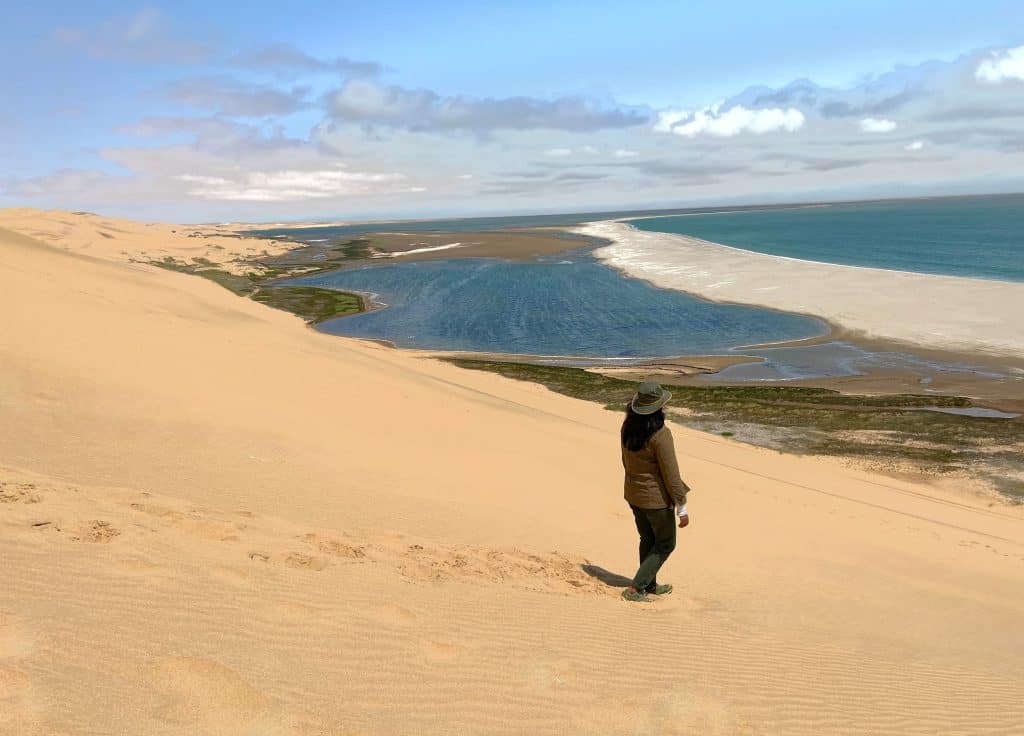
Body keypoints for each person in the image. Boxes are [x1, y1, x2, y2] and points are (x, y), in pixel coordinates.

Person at [620, 381, 691, 603]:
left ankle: (649, 584)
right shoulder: (661, 434)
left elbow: (625, 462)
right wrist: (682, 505)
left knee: (648, 539)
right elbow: (671, 473)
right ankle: (636, 588)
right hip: (655, 501)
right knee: (666, 544)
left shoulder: (627, 427)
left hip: (633, 494)